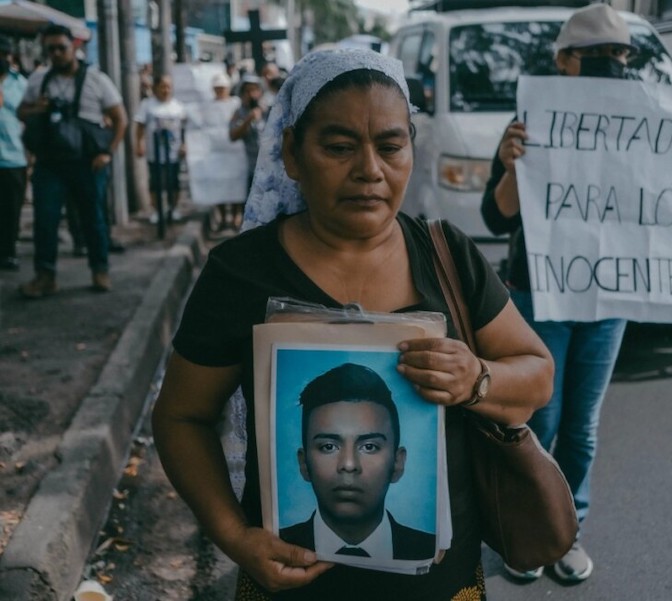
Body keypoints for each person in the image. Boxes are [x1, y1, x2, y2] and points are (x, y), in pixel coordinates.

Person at [151, 48, 553, 600]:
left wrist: (476, 379)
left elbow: (536, 375)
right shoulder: (240, 273)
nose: (370, 170)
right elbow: (181, 416)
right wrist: (234, 536)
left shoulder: (447, 256)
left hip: (444, 586)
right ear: (292, 152)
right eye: (339, 147)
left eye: (390, 146)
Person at [480, 3, 672, 584]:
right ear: (564, 62)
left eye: (621, 56)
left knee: (582, 424)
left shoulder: (653, 115)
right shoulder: (530, 123)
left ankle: (566, 532)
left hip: (607, 300)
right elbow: (496, 214)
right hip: (541, 296)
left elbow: (659, 207)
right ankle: (526, 530)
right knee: (541, 418)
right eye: (599, 56)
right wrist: (513, 165)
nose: (614, 66)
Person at [279, 363, 436, 562]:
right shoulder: (276, 545)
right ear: (304, 464)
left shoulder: (431, 552)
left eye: (369, 446)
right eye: (328, 446)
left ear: (398, 463)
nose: (349, 464)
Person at [17, 24, 127, 297]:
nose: (56, 54)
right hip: (50, 162)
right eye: (50, 49)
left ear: (74, 47)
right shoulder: (38, 80)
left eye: (61, 48)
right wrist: (37, 108)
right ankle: (45, 276)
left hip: (87, 162)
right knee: (45, 219)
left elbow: (120, 119)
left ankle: (99, 270)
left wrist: (107, 153)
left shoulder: (96, 79)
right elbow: (21, 112)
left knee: (94, 219)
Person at [135, 73, 187, 224]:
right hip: (154, 152)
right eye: (163, 86)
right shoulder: (147, 104)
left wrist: (184, 145)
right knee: (156, 183)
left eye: (169, 86)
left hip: (174, 152)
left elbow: (184, 129)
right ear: (156, 87)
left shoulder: (178, 106)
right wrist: (139, 144)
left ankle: (173, 208)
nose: (166, 90)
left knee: (173, 182)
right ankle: (157, 211)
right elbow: (139, 126)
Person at [0, 44, 28, 272]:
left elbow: (30, 118)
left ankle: (8, 251)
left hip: (13, 157)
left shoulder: (20, 84)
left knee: (11, 210)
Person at [205, 72, 243, 232]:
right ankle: (222, 218)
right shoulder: (208, 106)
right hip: (216, 153)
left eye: (223, 88)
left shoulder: (236, 103)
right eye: (217, 88)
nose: (220, 91)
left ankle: (236, 217)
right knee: (218, 187)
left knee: (236, 185)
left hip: (235, 152)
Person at [228, 74, 267, 228]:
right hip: (250, 166)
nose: (252, 94)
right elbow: (232, 135)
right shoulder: (240, 112)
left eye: (254, 90)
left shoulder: (269, 109)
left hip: (269, 166)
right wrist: (248, 120)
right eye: (248, 91)